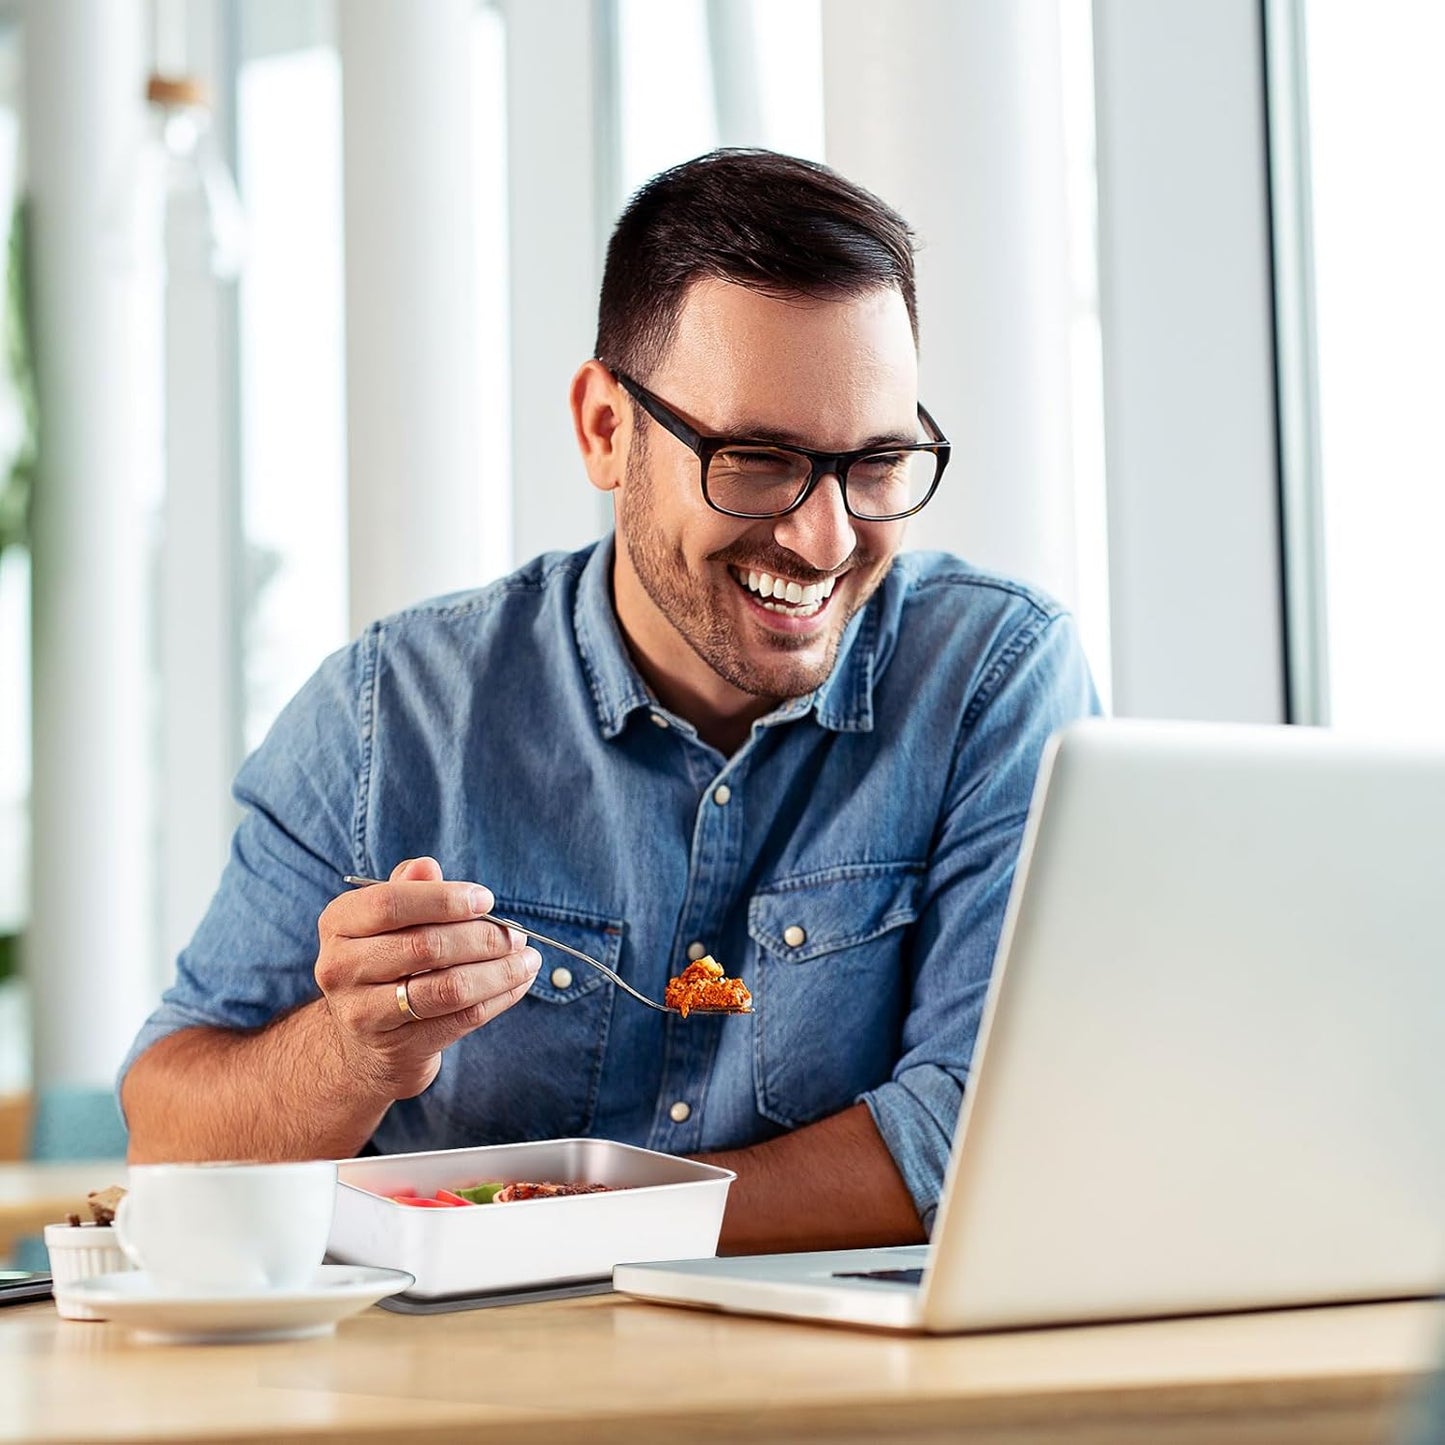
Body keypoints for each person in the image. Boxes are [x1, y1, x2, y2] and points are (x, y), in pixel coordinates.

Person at [120, 148, 1098, 1253]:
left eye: (874, 463)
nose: (824, 537)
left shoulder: (993, 677)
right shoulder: (388, 714)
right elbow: (168, 1136)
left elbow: (976, 1128)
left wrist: (548, 1230)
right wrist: (350, 1053)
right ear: (604, 428)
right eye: (756, 457)